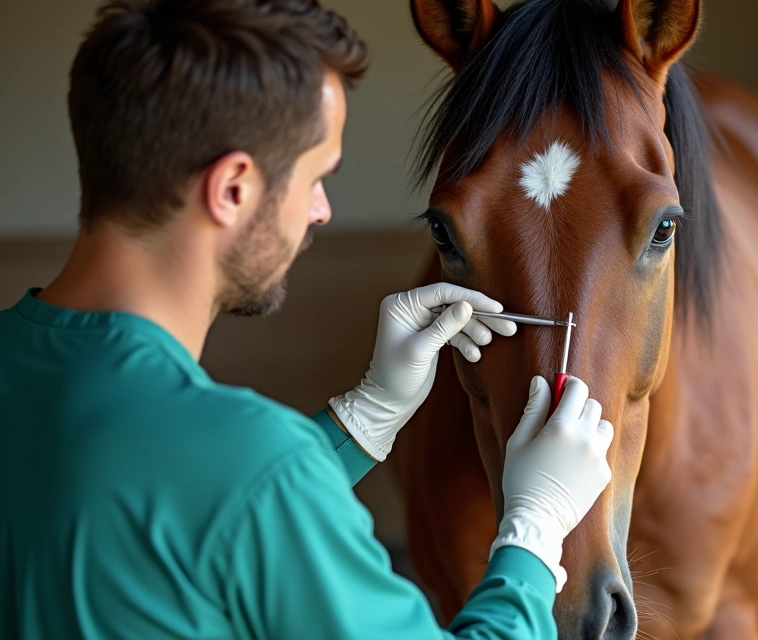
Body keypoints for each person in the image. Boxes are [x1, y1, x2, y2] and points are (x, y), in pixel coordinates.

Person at [0, 1, 614, 638]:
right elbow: (242, 488)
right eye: (316, 177)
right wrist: (535, 532)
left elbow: (190, 504)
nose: (321, 211)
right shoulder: (256, 464)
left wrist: (367, 412)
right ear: (233, 188)